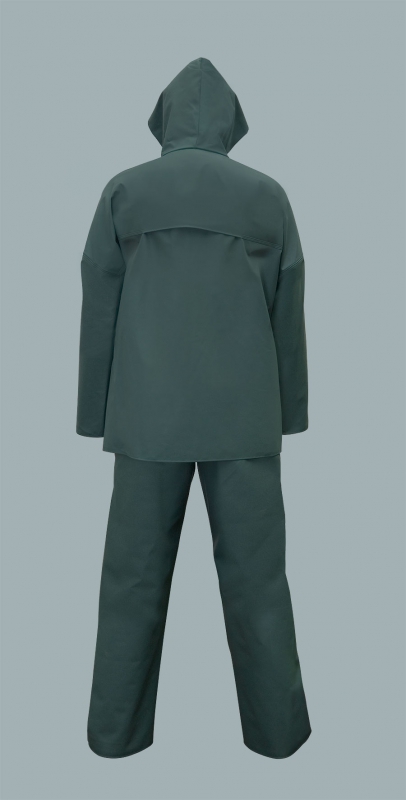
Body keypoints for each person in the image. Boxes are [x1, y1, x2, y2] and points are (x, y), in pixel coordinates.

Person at [77, 57, 311, 759]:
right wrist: (288, 412)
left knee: (131, 580)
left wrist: (95, 413)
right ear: (232, 121)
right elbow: (288, 307)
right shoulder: (266, 196)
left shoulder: (125, 192)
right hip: (245, 418)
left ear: (164, 116)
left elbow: (100, 299)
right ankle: (277, 737)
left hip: (145, 417)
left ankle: (115, 738)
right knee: (259, 582)